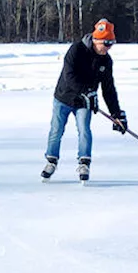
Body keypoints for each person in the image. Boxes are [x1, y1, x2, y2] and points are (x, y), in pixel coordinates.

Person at [42, 19, 128, 182]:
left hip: (84, 102)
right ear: (96, 40)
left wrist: (116, 114)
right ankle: (51, 160)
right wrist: (87, 92)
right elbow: (69, 77)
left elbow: (108, 89)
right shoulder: (76, 50)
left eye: (111, 44)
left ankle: (84, 162)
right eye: (106, 43)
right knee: (56, 130)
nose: (108, 48)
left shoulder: (106, 61)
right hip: (63, 98)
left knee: (84, 131)